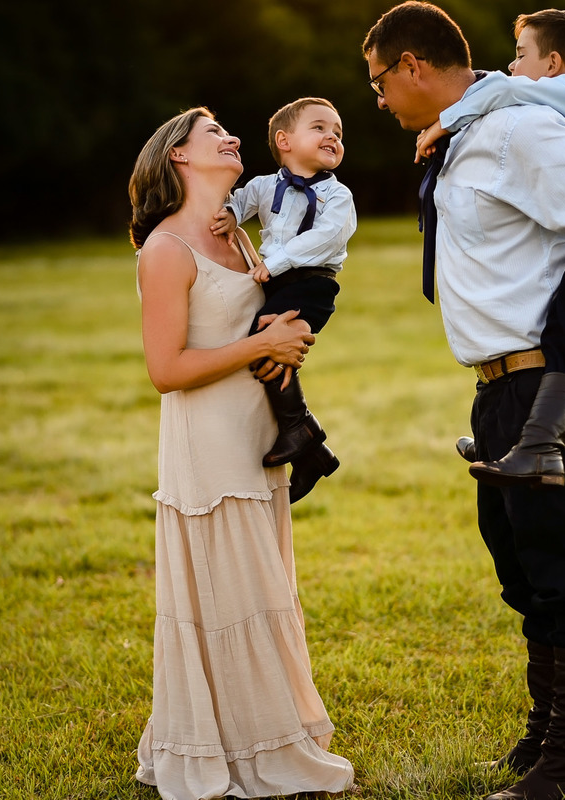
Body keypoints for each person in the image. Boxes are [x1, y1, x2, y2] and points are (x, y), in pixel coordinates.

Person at [363, 4, 565, 800]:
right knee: (523, 568)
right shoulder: (467, 133)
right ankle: (542, 739)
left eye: (379, 82)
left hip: (557, 379)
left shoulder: (521, 128)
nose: (378, 100)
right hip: (497, 387)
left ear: (412, 65)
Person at [128, 107, 355, 800]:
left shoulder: (237, 235)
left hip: (257, 439)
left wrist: (288, 336)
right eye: (214, 133)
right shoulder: (167, 249)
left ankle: (269, 732)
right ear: (179, 156)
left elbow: (272, 315)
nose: (232, 138)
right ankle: (228, 749)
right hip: (209, 445)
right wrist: (264, 343)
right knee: (227, 593)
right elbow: (165, 369)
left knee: (259, 591)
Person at [414, 8, 565, 488]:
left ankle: (542, 442)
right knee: (564, 322)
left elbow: (499, 89)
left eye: (520, 54)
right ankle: (517, 437)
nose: (511, 66)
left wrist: (445, 121)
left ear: (553, 63)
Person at [212, 97, 357, 501]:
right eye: (319, 128)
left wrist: (275, 262)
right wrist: (231, 213)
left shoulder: (337, 196)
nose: (332, 136)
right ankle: (311, 448)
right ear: (284, 141)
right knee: (264, 351)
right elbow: (240, 201)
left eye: (338, 132)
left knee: (267, 345)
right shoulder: (264, 186)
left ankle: (300, 430)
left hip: (312, 284)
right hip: (277, 282)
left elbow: (327, 238)